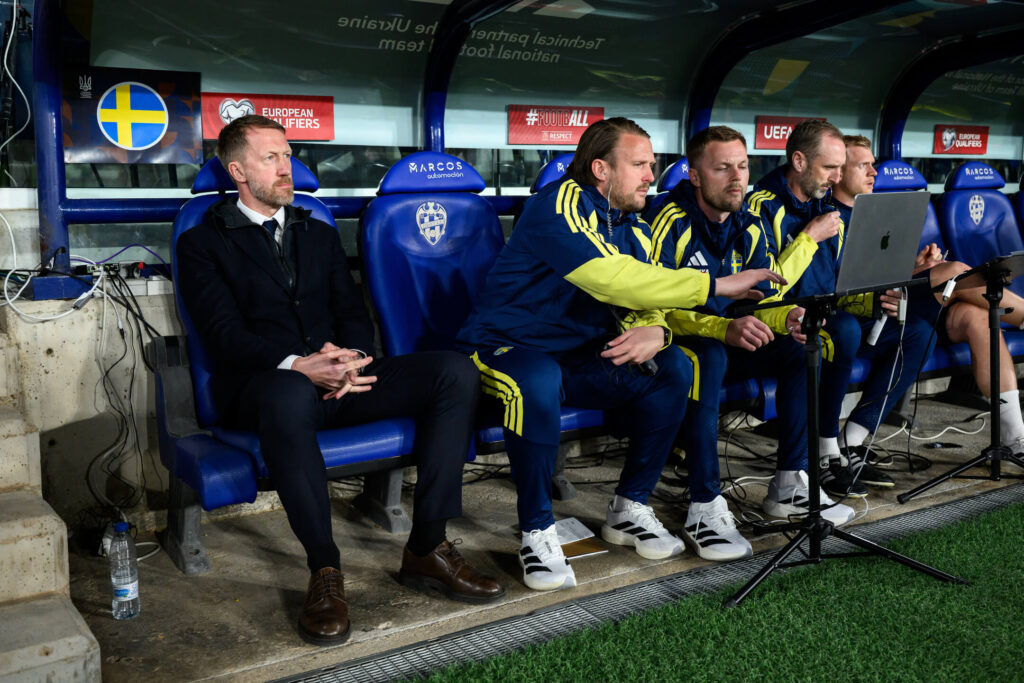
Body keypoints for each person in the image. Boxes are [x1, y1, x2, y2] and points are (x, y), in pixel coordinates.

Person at [176, 115, 504, 647]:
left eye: (287, 155)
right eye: (271, 159)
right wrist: (298, 364)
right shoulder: (203, 243)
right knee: (286, 394)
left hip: (340, 381)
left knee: (452, 370)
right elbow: (222, 336)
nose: (287, 167)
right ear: (237, 170)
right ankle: (324, 571)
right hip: (267, 389)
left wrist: (350, 359)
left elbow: (353, 313)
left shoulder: (316, 230)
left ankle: (427, 546)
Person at [456, 117, 783, 590]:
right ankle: (537, 532)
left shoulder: (632, 223)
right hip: (506, 348)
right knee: (538, 379)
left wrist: (655, 329)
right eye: (640, 165)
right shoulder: (560, 204)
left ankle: (630, 506)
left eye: (652, 165)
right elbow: (610, 278)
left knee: (673, 367)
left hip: (580, 355)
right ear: (600, 170)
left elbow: (645, 299)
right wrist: (714, 284)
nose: (652, 176)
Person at [646, 126, 854, 561]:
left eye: (742, 166)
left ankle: (789, 483)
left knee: (802, 344)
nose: (737, 178)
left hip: (731, 338)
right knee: (709, 356)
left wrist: (789, 318)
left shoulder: (750, 224)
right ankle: (704, 505)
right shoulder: (670, 219)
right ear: (696, 176)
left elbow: (768, 299)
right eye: (722, 168)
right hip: (678, 344)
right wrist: (722, 327)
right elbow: (654, 307)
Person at [749, 119, 937, 498]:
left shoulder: (823, 206)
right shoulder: (764, 206)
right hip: (776, 324)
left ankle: (852, 440)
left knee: (915, 330)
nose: (836, 178)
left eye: (840, 168)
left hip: (824, 317)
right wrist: (807, 239)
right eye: (831, 168)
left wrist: (875, 299)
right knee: (844, 328)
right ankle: (825, 449)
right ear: (800, 161)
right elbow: (763, 286)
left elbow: (836, 284)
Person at [832, 135, 1024, 455]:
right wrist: (924, 272)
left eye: (873, 165)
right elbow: (841, 280)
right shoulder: (829, 216)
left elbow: (880, 270)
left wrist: (918, 266)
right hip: (874, 311)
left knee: (979, 317)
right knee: (953, 270)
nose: (873, 173)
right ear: (838, 172)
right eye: (863, 165)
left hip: (902, 300)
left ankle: (1015, 437)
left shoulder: (876, 210)